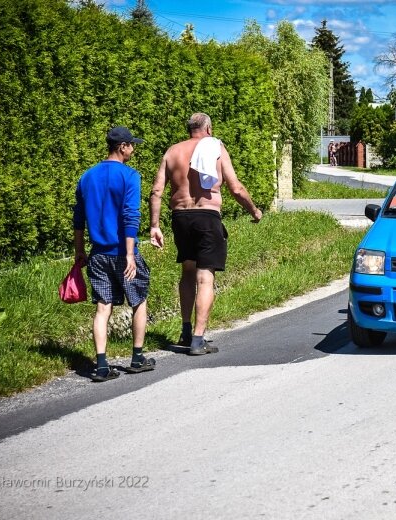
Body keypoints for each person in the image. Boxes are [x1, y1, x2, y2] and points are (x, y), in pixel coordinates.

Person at [149, 113, 263, 355]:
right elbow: (236, 187)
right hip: (206, 216)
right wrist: (254, 211)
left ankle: (186, 330)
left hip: (180, 218)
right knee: (205, 277)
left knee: (187, 272)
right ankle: (198, 340)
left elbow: (156, 191)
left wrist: (154, 225)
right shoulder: (215, 147)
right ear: (209, 128)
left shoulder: (173, 151)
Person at [73, 126, 155, 382]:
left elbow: (78, 218)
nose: (133, 149)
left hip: (97, 254)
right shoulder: (129, 176)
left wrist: (79, 251)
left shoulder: (87, 177)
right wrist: (130, 255)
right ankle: (137, 358)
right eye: (131, 145)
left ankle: (100, 365)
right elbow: (131, 215)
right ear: (122, 147)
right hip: (121, 252)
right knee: (139, 299)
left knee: (102, 308)